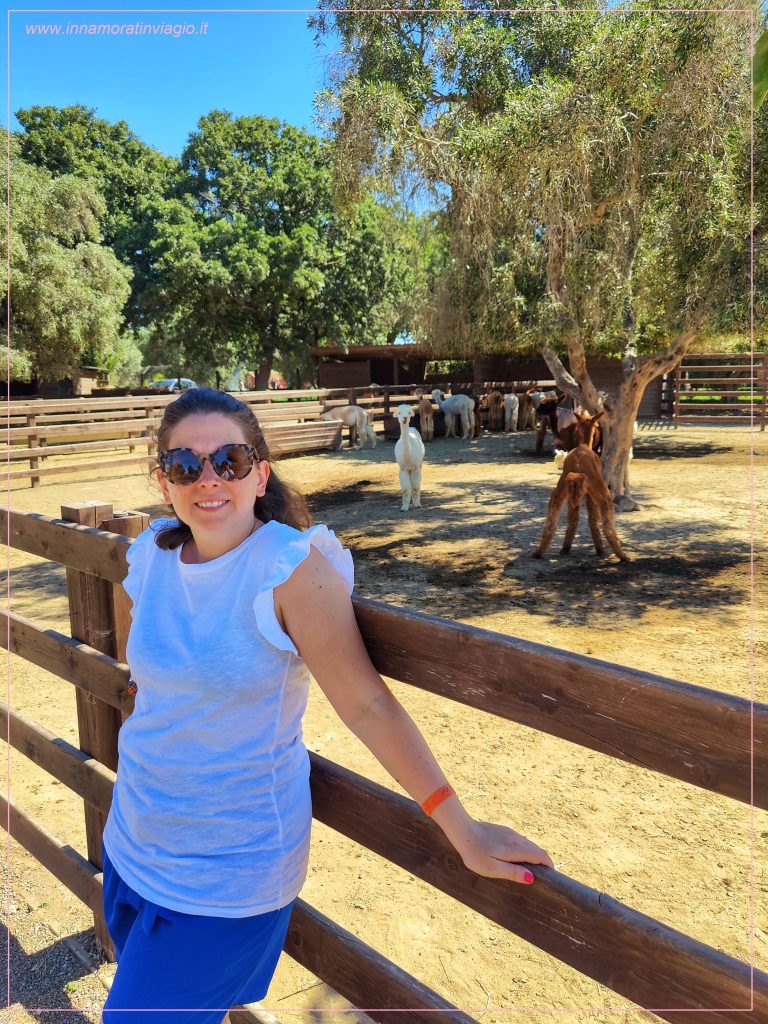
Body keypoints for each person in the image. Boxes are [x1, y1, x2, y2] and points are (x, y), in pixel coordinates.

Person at [101, 387, 553, 1023]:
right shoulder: (151, 553)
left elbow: (366, 705)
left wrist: (461, 827)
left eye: (228, 461)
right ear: (164, 481)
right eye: (184, 466)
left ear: (260, 473)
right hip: (132, 841)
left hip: (226, 874)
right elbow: (144, 667)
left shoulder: (290, 570)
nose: (208, 479)